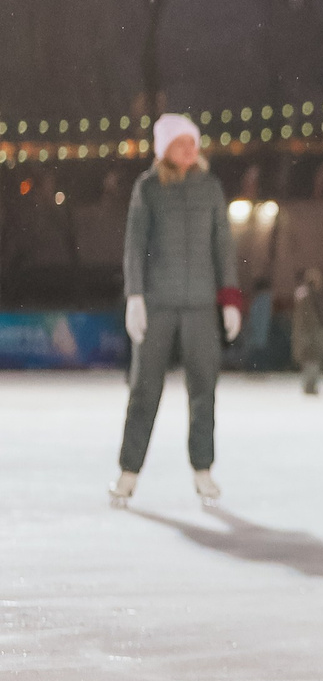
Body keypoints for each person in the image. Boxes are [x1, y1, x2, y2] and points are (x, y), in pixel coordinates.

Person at [114, 115, 242, 508]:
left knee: (204, 392)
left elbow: (223, 246)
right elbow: (134, 245)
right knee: (144, 390)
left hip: (202, 306)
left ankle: (203, 470)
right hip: (157, 304)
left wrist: (230, 298)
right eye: (181, 142)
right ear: (164, 148)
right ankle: (128, 472)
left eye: (193, 141)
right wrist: (135, 295)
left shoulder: (211, 188)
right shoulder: (148, 188)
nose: (190, 148)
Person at [290, 267, 323, 395]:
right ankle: (310, 386)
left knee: (308, 361)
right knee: (313, 361)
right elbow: (320, 315)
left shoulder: (302, 294)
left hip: (304, 333)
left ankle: (308, 385)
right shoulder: (313, 296)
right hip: (312, 334)